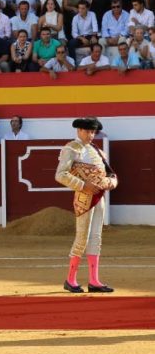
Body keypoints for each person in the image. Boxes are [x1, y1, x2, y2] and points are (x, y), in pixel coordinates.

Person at [55, 117, 117, 293]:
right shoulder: (71, 148)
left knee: (96, 238)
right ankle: (71, 280)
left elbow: (109, 173)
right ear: (79, 130)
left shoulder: (95, 149)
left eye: (93, 132)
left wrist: (111, 182)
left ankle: (94, 280)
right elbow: (60, 175)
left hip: (99, 197)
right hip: (83, 197)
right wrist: (83, 185)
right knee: (82, 237)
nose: (91, 135)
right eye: (88, 131)